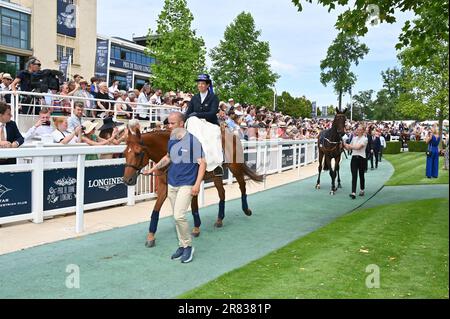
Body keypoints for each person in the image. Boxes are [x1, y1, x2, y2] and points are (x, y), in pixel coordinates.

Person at [143, 112, 206, 264]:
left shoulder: (193, 141)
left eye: (172, 123)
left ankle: (189, 246)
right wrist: (152, 169)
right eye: (168, 123)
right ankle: (182, 245)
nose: (169, 126)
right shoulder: (172, 140)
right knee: (176, 218)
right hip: (172, 183)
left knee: (179, 216)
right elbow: (167, 157)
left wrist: (197, 184)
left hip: (187, 183)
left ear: (181, 123)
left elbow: (202, 163)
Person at [185, 74, 223, 176]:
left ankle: (217, 164)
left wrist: (197, 115)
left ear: (207, 85)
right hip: (196, 124)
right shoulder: (194, 98)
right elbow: (188, 113)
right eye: (199, 83)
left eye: (203, 83)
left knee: (215, 137)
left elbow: (212, 113)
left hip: (210, 124)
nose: (200, 85)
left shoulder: (213, 97)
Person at [344, 125, 368, 200]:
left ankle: (362, 189)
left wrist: (350, 146)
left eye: (360, 129)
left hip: (362, 158)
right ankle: (353, 192)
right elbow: (348, 148)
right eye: (357, 129)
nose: (358, 131)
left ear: (363, 131)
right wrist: (344, 144)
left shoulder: (365, 139)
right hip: (354, 158)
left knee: (361, 175)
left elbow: (358, 147)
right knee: (354, 175)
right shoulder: (354, 138)